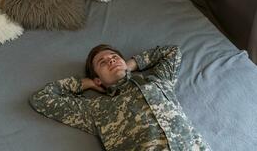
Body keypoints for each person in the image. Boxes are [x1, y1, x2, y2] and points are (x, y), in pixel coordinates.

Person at [29, 44, 211, 151]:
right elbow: (42, 98)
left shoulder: (158, 81)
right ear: (98, 79)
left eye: (114, 57)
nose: (111, 60)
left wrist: (131, 64)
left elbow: (171, 51)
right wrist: (87, 83)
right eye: (103, 63)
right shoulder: (97, 109)